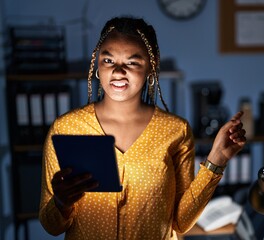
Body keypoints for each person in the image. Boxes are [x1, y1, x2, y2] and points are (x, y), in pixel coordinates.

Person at [39, 16, 246, 240]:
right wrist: (61, 203)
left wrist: (217, 160)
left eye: (132, 62)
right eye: (108, 60)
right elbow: (52, 227)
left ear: (151, 65)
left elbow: (181, 222)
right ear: (97, 63)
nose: (118, 71)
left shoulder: (176, 131)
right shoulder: (66, 128)